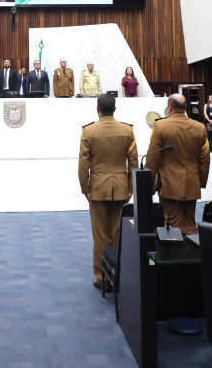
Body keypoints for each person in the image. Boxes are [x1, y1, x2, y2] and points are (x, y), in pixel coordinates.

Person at [77, 93, 137, 292]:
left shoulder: (89, 131)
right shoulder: (128, 130)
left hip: (97, 189)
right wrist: (131, 187)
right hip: (121, 188)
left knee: (99, 235)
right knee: (118, 234)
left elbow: (83, 165)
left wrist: (86, 189)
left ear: (97, 109)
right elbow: (134, 164)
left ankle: (102, 278)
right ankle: (118, 274)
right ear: (115, 109)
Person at [145, 94, 210, 227]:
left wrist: (147, 184)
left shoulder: (160, 126)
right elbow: (205, 159)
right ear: (185, 107)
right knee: (190, 224)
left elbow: (153, 158)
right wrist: (200, 182)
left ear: (169, 107)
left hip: (169, 185)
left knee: (172, 226)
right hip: (192, 183)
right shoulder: (200, 127)